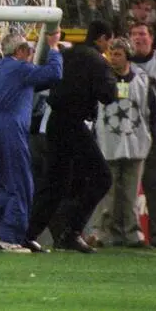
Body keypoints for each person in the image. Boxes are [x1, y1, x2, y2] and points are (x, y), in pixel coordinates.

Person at [25, 21, 116, 253]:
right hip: (74, 124)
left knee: (55, 183)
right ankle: (72, 230)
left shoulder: (68, 54)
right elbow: (108, 96)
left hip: (55, 122)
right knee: (102, 177)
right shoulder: (98, 61)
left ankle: (28, 233)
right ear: (103, 39)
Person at [0, 31, 63, 251]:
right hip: (11, 130)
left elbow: (32, 84)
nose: (33, 55)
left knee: (4, 184)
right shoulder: (19, 68)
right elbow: (54, 74)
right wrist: (53, 48)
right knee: (21, 184)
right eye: (30, 51)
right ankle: (10, 236)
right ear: (20, 51)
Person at [93, 38, 156, 247]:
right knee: (108, 192)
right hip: (108, 142)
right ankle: (103, 233)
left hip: (136, 140)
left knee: (131, 192)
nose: (114, 58)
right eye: (112, 54)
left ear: (127, 56)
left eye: (118, 54)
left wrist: (151, 134)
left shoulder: (142, 79)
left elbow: (152, 110)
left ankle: (132, 233)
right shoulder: (101, 78)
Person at [129, 22, 156, 248]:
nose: (138, 38)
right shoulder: (122, 63)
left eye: (142, 34)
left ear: (151, 38)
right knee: (125, 186)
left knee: (155, 184)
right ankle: (129, 234)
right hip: (129, 134)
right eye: (134, 34)